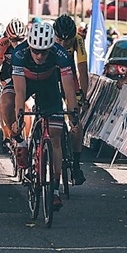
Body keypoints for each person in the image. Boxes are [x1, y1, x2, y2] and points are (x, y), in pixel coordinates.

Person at [10, 21, 79, 211]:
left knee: (55, 135)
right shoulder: (19, 53)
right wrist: (19, 119)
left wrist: (73, 116)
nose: (39, 56)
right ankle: (22, 143)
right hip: (27, 81)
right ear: (29, 46)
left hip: (49, 85)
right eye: (35, 51)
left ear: (51, 48)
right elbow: (20, 91)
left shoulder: (60, 54)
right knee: (8, 102)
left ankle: (55, 189)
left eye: (44, 52)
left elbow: (68, 89)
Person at [53, 14, 88, 185]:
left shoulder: (78, 40)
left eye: (67, 41)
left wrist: (83, 95)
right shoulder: (48, 38)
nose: (63, 44)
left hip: (69, 75)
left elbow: (82, 69)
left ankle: (76, 165)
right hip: (51, 76)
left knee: (76, 120)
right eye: (59, 40)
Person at [0, 18, 29, 153]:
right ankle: (7, 135)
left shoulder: (31, 43)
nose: (17, 43)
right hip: (8, 74)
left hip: (26, 74)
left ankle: (28, 137)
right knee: (4, 103)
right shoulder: (3, 43)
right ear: (8, 37)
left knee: (28, 105)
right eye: (14, 40)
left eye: (21, 40)